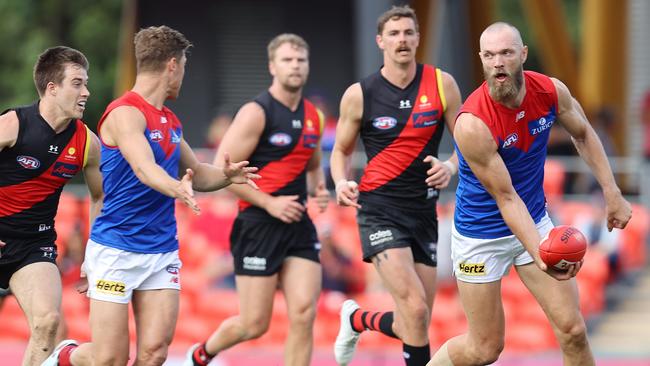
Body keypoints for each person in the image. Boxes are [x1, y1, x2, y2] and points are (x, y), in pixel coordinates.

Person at [42, 26, 259, 366]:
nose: (183, 75)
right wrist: (177, 188)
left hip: (161, 252)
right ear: (172, 65)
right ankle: (63, 356)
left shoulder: (170, 121)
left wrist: (228, 176)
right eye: (184, 66)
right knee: (109, 358)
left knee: (154, 353)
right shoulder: (124, 112)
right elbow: (144, 168)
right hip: (116, 249)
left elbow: (198, 173)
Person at [427, 22, 632, 366]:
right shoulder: (472, 123)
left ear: (522, 54)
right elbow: (506, 198)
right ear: (481, 60)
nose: (498, 63)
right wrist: (541, 253)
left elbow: (583, 134)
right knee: (485, 348)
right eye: (489, 55)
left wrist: (613, 193)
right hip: (481, 235)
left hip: (534, 219)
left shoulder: (551, 91)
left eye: (506, 53)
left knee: (573, 330)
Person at [183, 33, 329, 366]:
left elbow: (314, 161)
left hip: (298, 223)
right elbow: (221, 173)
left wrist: (319, 187)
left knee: (305, 312)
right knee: (254, 324)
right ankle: (202, 354)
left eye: (300, 60)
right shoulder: (256, 112)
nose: (295, 66)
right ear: (272, 66)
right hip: (258, 223)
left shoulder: (314, 117)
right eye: (287, 60)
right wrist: (270, 203)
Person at [330, 5, 462, 366]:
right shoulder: (360, 93)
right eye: (393, 33)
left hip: (424, 212)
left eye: (408, 33)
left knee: (415, 320)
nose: (401, 40)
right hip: (379, 210)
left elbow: (469, 143)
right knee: (415, 308)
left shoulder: (441, 83)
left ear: (418, 39)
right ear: (380, 41)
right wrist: (341, 181)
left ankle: (358, 319)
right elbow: (340, 151)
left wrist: (450, 166)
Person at [0, 46, 103, 366]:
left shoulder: (87, 142)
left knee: (48, 323)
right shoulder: (12, 124)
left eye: (86, 83)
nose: (86, 92)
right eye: (77, 83)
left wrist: (92, 257)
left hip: (34, 246)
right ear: (52, 88)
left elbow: (99, 197)